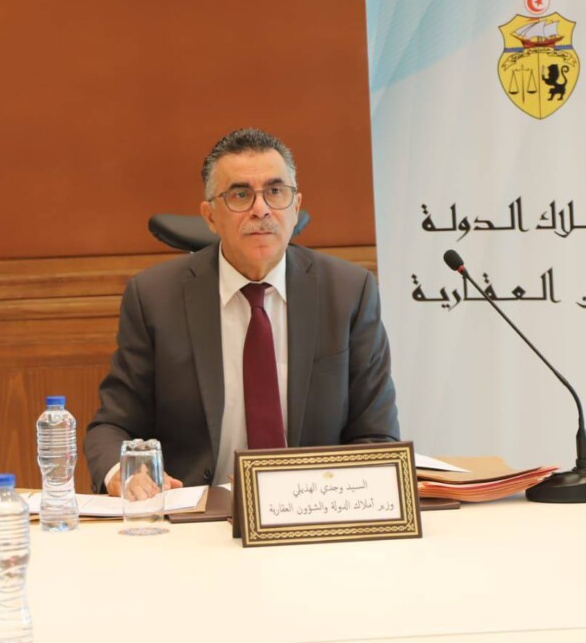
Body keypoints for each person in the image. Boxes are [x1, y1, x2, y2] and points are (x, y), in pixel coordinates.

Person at [85, 127, 400, 494]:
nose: (261, 209)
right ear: (210, 216)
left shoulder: (348, 293)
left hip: (314, 508)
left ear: (295, 207)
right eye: (240, 195)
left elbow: (377, 434)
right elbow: (112, 426)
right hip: (197, 510)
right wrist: (122, 474)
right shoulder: (155, 298)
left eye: (275, 192)